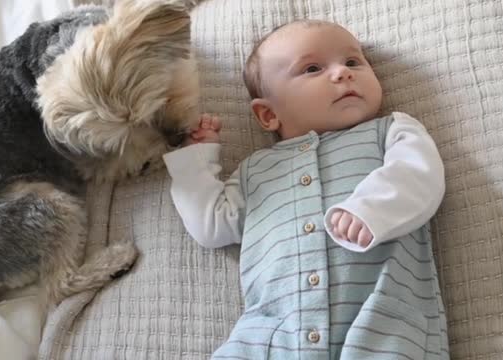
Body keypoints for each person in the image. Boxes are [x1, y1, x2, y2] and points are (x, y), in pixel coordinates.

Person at [163, 19, 449, 359]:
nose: (342, 73)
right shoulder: (256, 171)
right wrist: (195, 159)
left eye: (353, 61)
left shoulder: (391, 131)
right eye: (312, 68)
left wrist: (371, 209)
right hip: (271, 333)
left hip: (380, 323)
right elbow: (211, 225)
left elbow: (418, 175)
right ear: (268, 114)